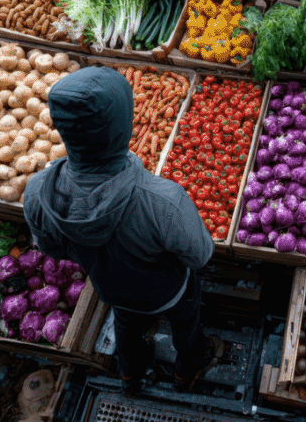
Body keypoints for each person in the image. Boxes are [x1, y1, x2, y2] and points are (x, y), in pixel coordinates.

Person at [23, 66, 223, 393]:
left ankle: (130, 373)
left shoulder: (38, 191)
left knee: (126, 324)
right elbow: (200, 256)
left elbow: (52, 250)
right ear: (125, 124)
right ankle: (187, 368)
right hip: (168, 292)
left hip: (111, 290)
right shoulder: (162, 200)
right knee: (185, 323)